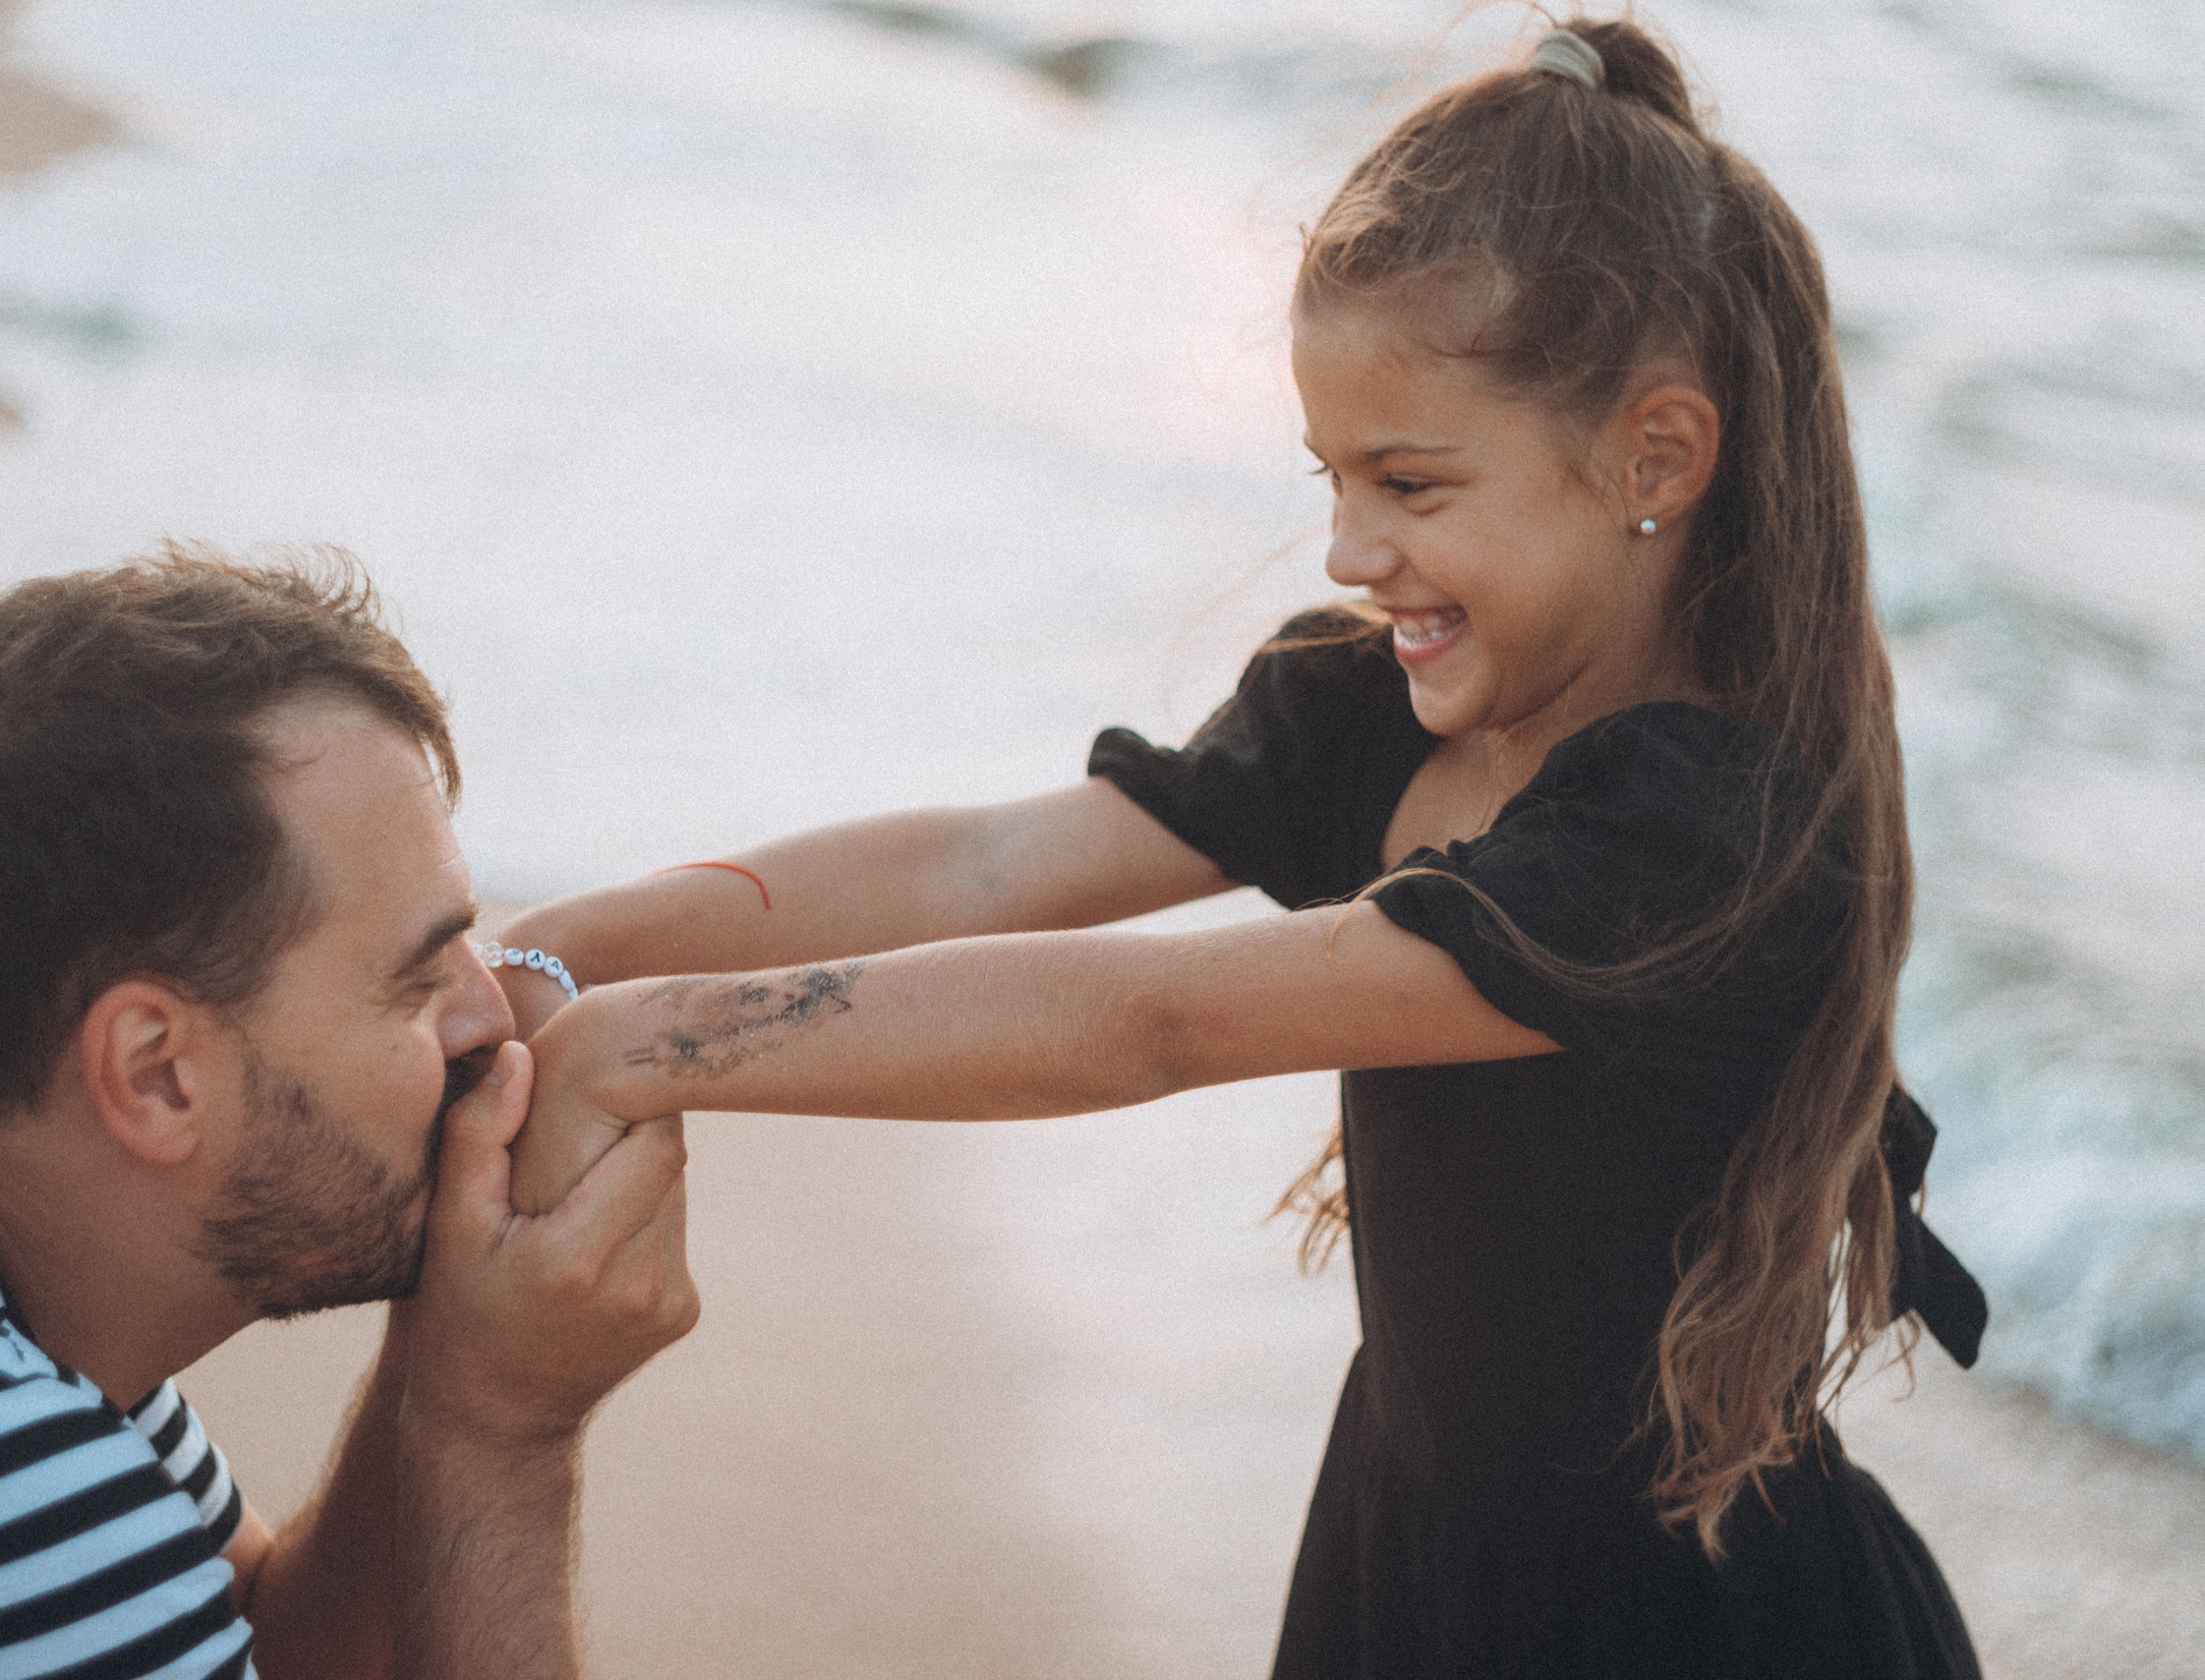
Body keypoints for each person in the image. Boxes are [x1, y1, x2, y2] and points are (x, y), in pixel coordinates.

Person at [488, 19, 1989, 1678]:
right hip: (1406, 1556)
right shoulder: (1378, 716)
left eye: (1412, 483)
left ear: (1655, 457)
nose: (1352, 551)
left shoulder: (1707, 840)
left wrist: (661, 1048)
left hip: (1680, 1619)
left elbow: (1156, 1017)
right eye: (1333, 478)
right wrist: (579, 942)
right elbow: (990, 867)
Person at [0, 551, 696, 1679]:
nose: (488, 1015)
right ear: (157, 1071)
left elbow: (267, 1637)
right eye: (416, 982)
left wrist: (448, 1336)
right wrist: (505, 1439)